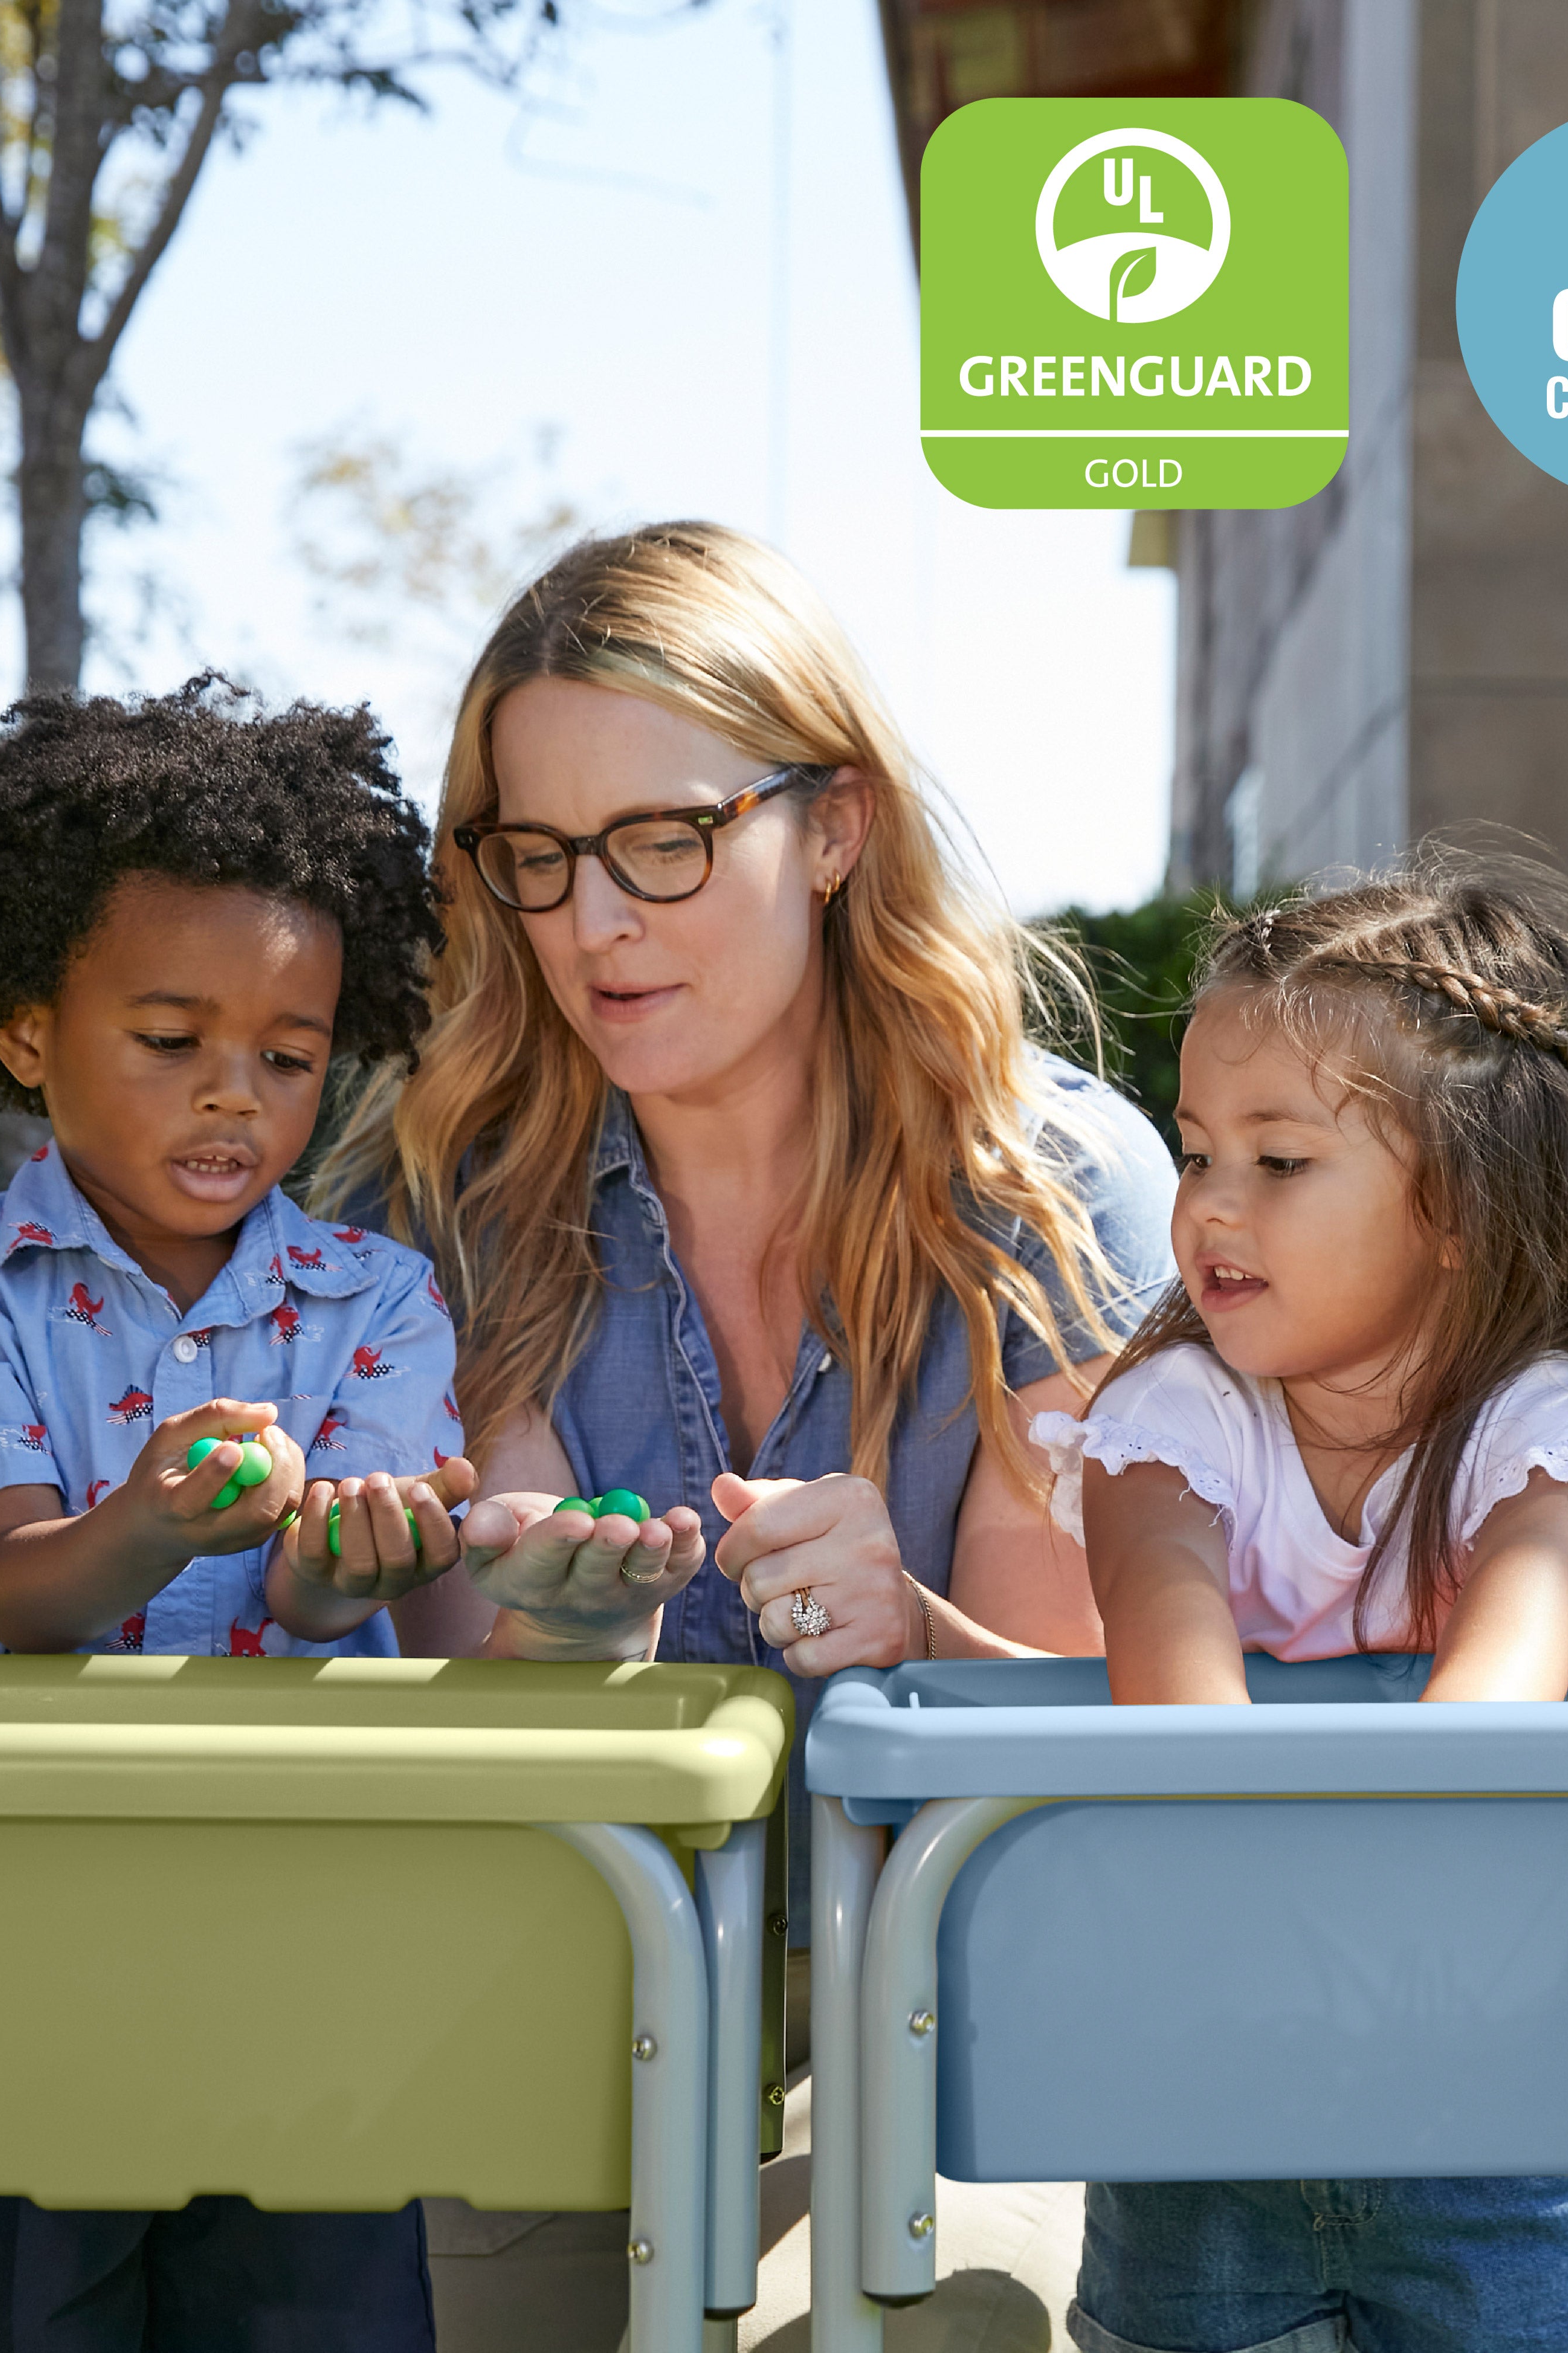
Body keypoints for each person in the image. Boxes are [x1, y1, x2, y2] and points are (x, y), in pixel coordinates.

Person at [312, 519, 1179, 2345]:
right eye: (537, 859)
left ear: (836, 825)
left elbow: (1082, 1732)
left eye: (666, 841)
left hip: (955, 1972)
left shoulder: (1048, 1181)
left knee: (945, 2330)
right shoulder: (455, 1198)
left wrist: (915, 1635)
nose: (594, 925)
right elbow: (504, 1777)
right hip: (568, 1971)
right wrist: (555, 1641)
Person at [0, 677, 466, 2353]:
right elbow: (11, 1586)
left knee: (306, 2314)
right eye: (171, 1042)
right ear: (33, 1033)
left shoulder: (375, 1301)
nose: (234, 1094)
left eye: (290, 1055)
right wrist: (158, 1518)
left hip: (296, 1949)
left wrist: (353, 1553)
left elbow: (326, 1603)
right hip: (6, 1945)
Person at [1037, 847, 1568, 2353]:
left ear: (1463, 1208)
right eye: (1195, 1150)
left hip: (1498, 2119)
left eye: (1276, 1161)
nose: (1208, 1203)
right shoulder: (1165, 1421)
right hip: (1192, 2130)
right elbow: (1177, 1701)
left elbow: (1487, 1709)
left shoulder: (1553, 1436)